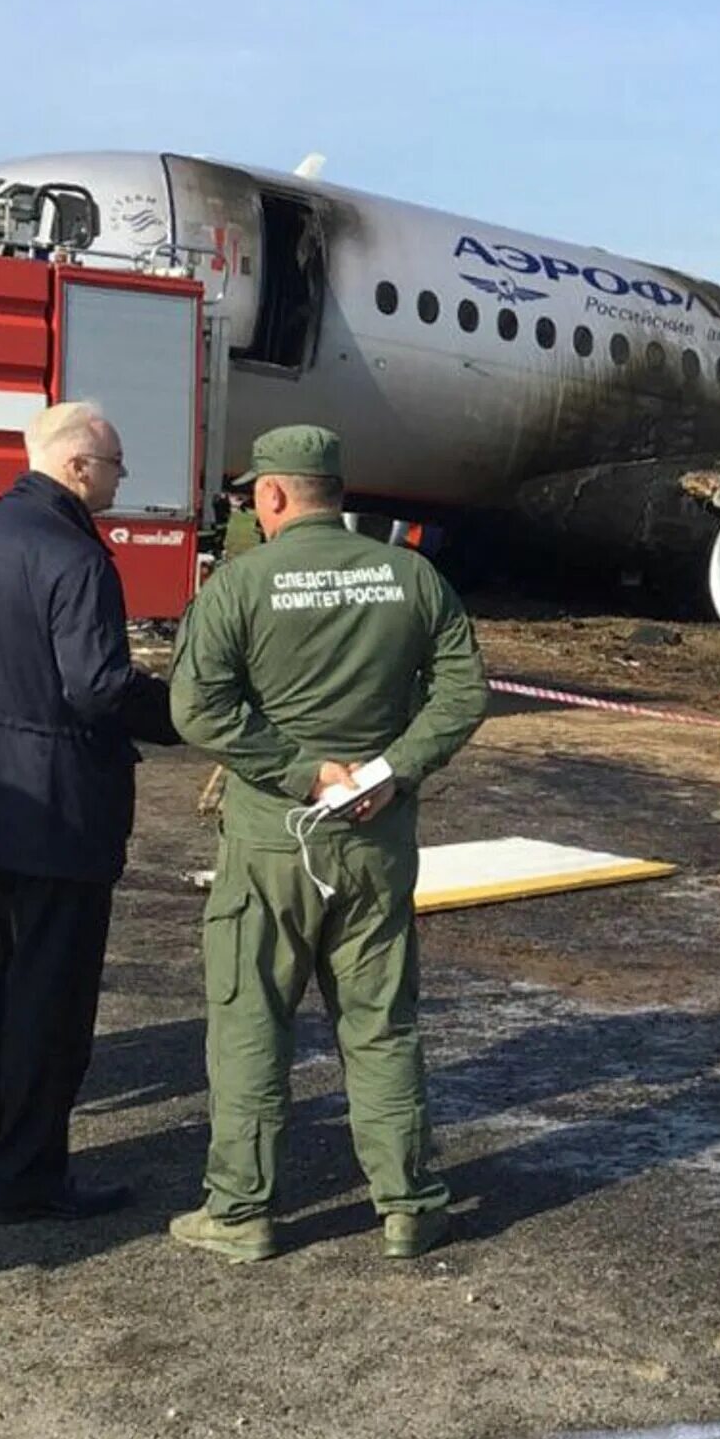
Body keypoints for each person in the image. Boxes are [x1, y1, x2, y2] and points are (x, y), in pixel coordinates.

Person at [167, 425, 488, 1264]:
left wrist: (304, 773)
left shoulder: (239, 585)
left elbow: (197, 709)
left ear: (274, 495)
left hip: (274, 845)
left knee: (251, 1022)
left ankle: (240, 1212)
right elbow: (463, 694)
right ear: (335, 492)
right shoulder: (413, 577)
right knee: (381, 1024)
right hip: (376, 840)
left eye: (253, 499)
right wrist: (392, 769)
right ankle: (411, 1203)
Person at [0, 400, 177, 1220]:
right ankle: (27, 1174)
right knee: (49, 995)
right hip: (59, 805)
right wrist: (182, 711)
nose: (119, 480)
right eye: (115, 466)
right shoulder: (78, 558)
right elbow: (95, 687)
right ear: (75, 466)